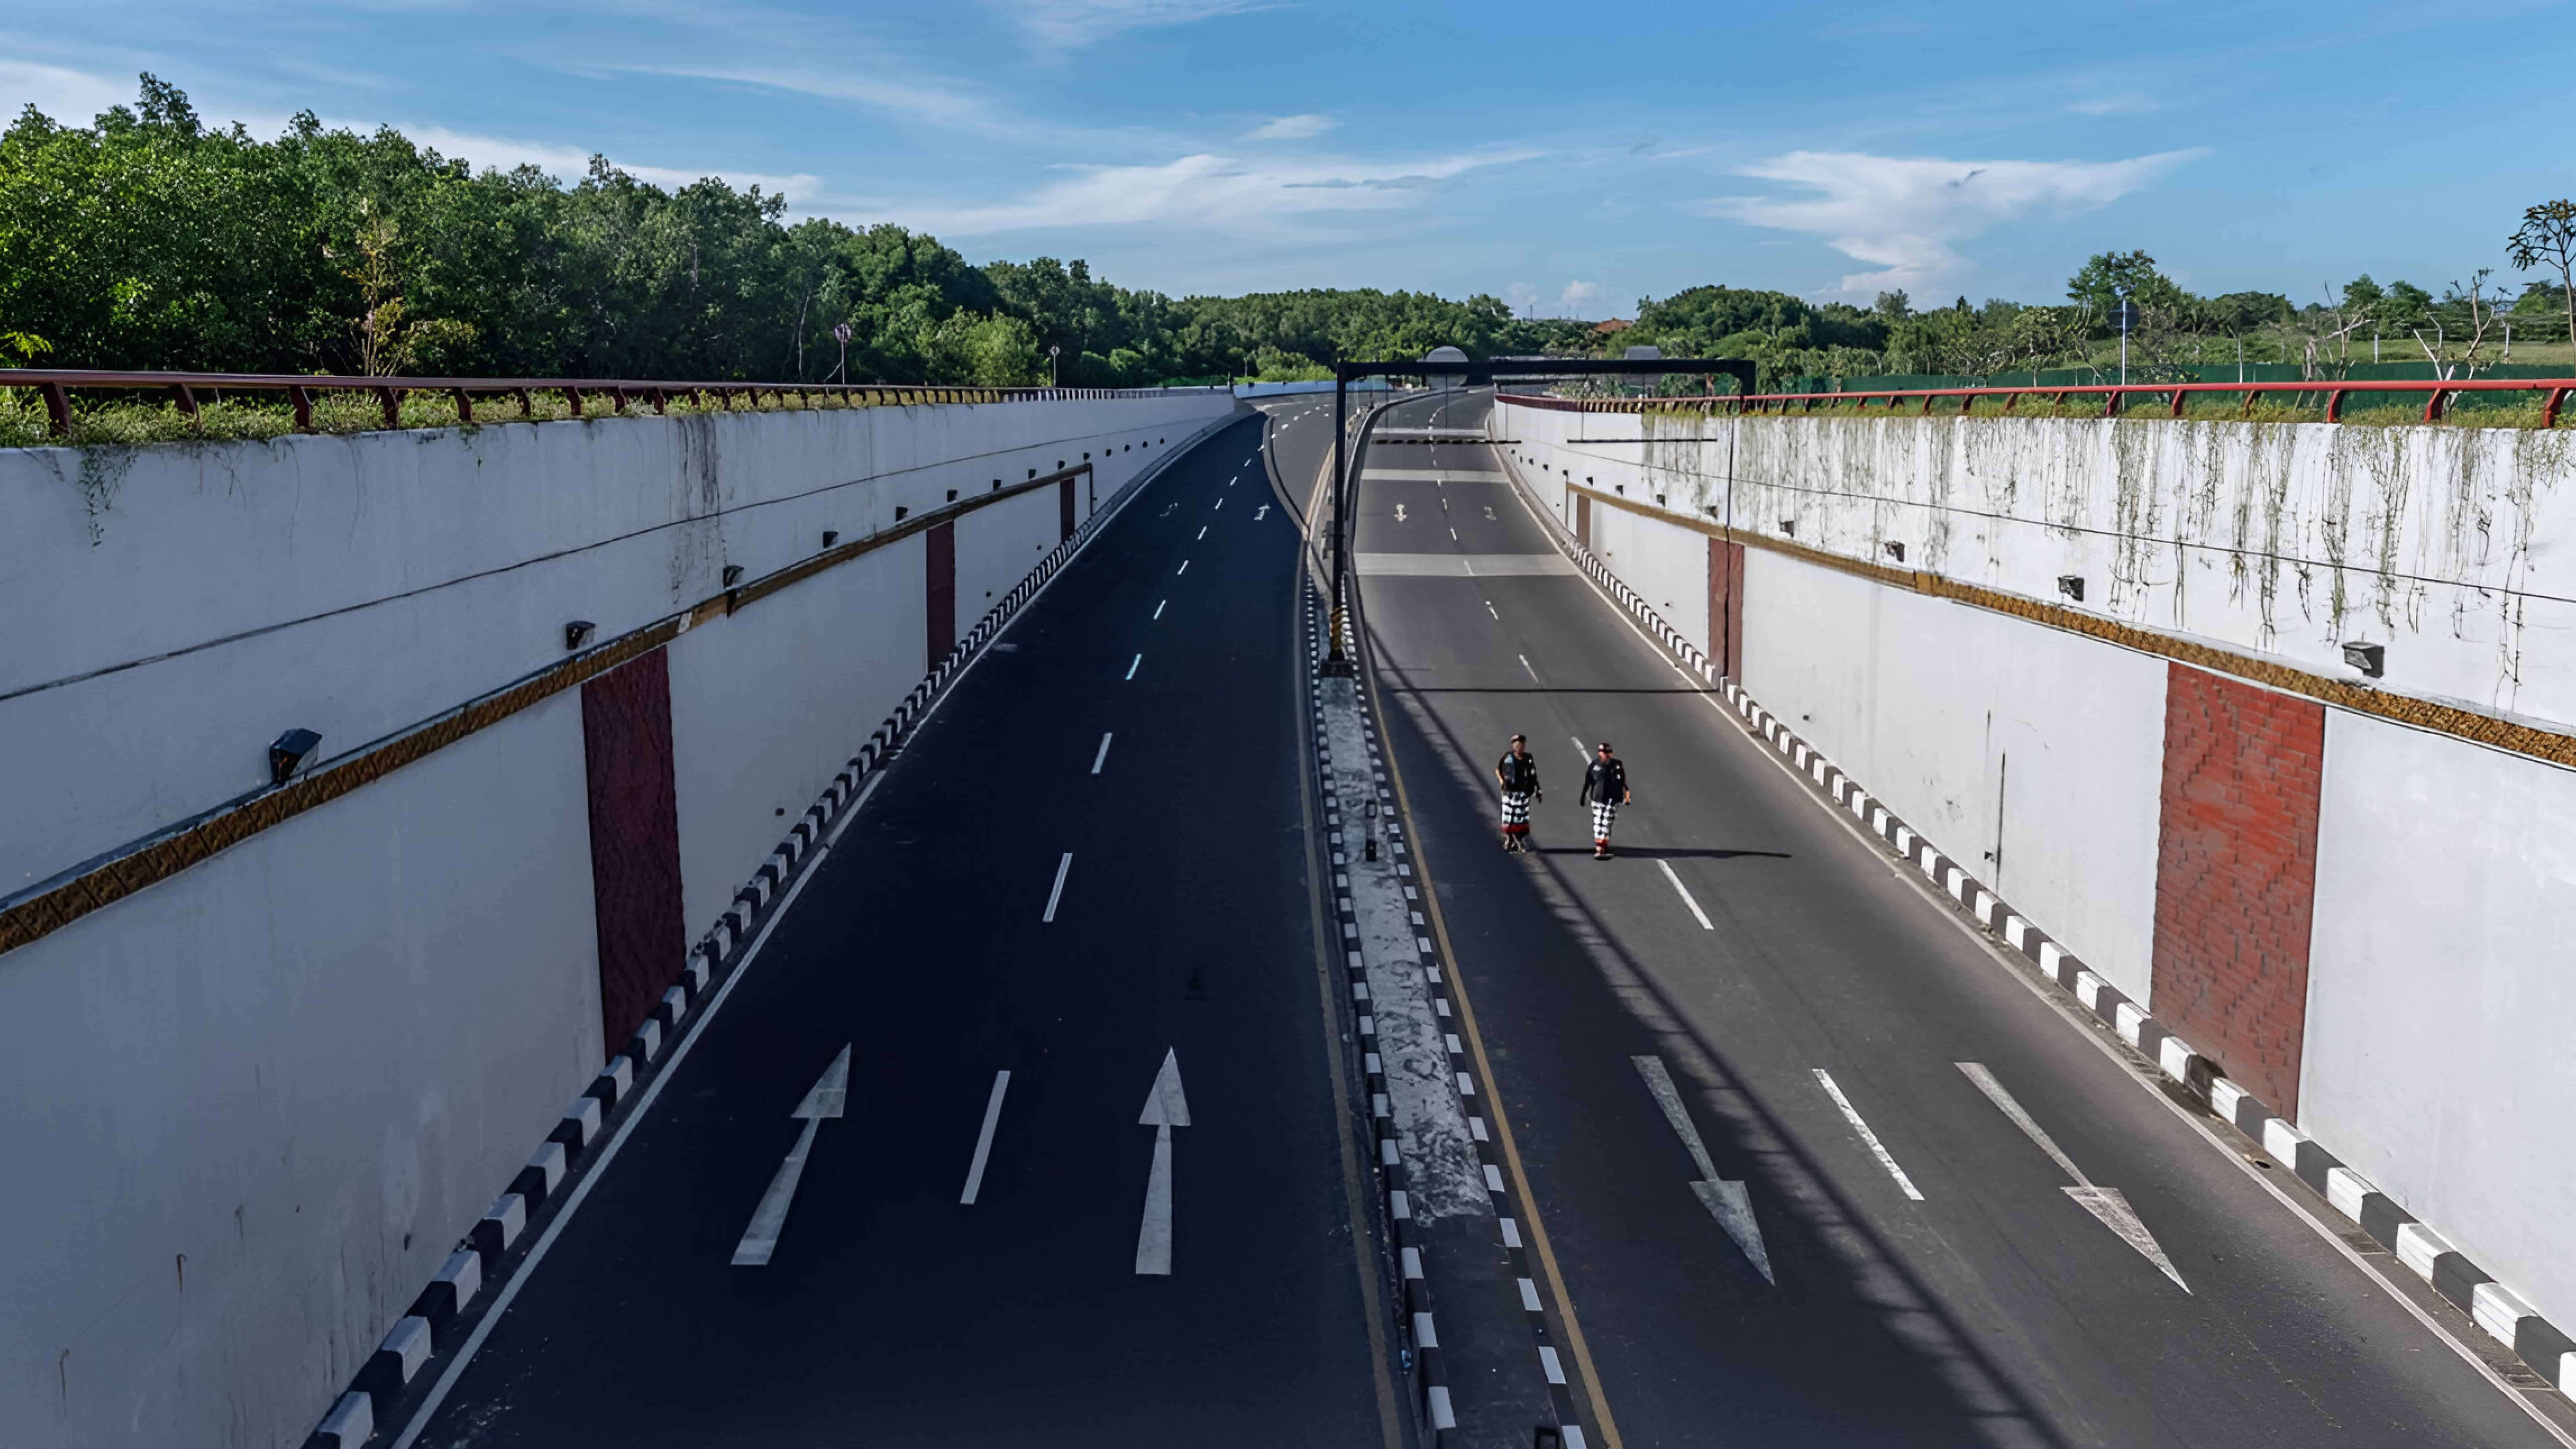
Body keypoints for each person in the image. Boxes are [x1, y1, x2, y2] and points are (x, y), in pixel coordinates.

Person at [1583, 742, 1630, 859]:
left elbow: (1623, 782)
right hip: (1598, 798)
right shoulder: (1595, 765)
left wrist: (1627, 796)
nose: (1607, 755)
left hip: (1613, 798)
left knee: (1608, 822)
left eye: (1609, 752)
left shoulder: (1617, 765)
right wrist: (1584, 796)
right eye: (1605, 752)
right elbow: (1589, 781)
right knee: (1599, 822)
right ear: (1600, 753)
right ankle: (1600, 848)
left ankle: (1603, 845)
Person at [1494, 734, 1541, 852]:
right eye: (1518, 744)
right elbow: (1498, 769)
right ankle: (1510, 840)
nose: (1520, 747)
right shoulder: (1508, 757)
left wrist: (1537, 790)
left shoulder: (1528, 758)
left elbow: (1533, 775)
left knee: (1520, 818)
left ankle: (1519, 842)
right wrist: (1502, 782)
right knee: (1509, 818)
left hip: (1523, 793)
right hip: (1509, 793)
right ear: (1513, 745)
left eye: (1522, 744)